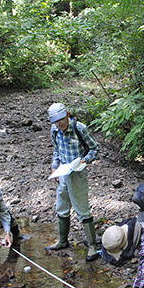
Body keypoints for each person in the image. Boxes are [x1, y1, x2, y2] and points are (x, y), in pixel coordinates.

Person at [46, 102, 100, 262]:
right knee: (61, 207)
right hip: (62, 172)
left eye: (62, 120)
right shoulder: (54, 130)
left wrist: (85, 160)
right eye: (56, 121)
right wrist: (54, 167)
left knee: (82, 208)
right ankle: (63, 241)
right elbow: (56, 150)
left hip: (77, 172)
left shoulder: (80, 128)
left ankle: (92, 246)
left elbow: (94, 148)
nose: (60, 124)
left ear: (67, 115)